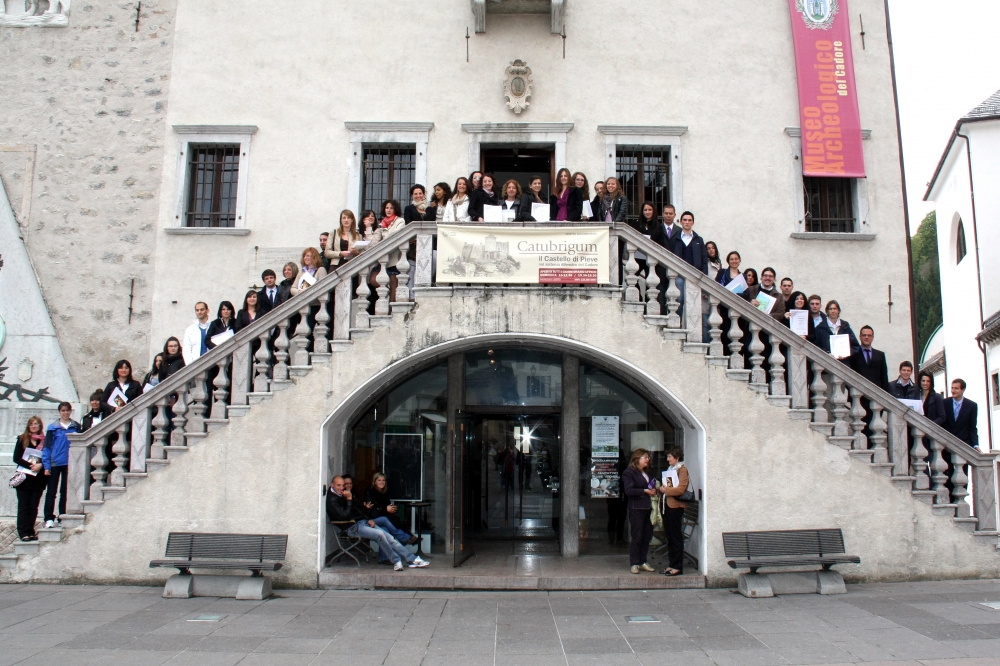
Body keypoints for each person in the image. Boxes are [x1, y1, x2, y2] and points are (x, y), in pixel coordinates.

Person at [326, 475, 428, 571]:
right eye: (338, 485)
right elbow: (345, 516)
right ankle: (397, 560)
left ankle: (412, 559)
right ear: (332, 485)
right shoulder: (332, 499)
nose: (341, 487)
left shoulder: (343, 494)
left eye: (342, 485)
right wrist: (349, 499)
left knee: (389, 537)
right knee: (380, 534)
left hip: (361, 522)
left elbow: (359, 510)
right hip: (351, 527)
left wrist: (368, 519)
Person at [363, 472, 419, 562]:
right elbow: (371, 510)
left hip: (381, 518)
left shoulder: (385, 492)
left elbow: (385, 506)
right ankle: (405, 537)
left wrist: (391, 509)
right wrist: (385, 509)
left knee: (386, 530)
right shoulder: (370, 491)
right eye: (379, 480)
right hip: (370, 519)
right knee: (386, 520)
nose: (381, 482)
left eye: (383, 480)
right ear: (374, 482)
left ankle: (384, 558)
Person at [42, 402, 79, 528]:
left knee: (65, 491)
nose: (65, 413)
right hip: (55, 463)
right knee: (51, 491)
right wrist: (46, 465)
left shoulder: (76, 426)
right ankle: (48, 517)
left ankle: (62, 515)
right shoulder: (52, 428)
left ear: (70, 411)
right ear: (59, 412)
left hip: (70, 462)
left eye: (67, 410)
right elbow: (47, 447)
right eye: (63, 410)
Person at [621, 448, 658, 575]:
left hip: (648, 508)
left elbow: (651, 486)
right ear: (637, 459)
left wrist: (654, 490)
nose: (647, 460)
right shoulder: (629, 473)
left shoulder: (647, 473)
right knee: (637, 536)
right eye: (645, 457)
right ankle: (634, 563)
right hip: (636, 508)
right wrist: (644, 491)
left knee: (647, 536)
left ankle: (643, 561)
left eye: (648, 457)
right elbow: (629, 491)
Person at [13, 415, 47, 541]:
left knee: (33, 507)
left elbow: (47, 457)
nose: (33, 426)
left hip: (38, 479)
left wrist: (40, 465)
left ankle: (31, 530)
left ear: (40, 426)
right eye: (31, 424)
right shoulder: (22, 439)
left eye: (36, 424)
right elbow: (16, 457)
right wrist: (31, 465)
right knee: (24, 506)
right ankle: (23, 532)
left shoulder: (44, 441)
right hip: (24, 479)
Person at [658, 446, 689, 576]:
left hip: (675, 507)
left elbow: (681, 489)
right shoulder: (671, 469)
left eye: (670, 457)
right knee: (670, 536)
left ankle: (678, 566)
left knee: (676, 536)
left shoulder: (682, 470)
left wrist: (667, 490)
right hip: (667, 506)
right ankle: (671, 564)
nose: (668, 459)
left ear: (677, 457)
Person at [944, 379, 979, 449]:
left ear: (963, 390)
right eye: (952, 388)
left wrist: (975, 445)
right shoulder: (944, 403)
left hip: (964, 445)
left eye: (956, 388)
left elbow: (972, 427)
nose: (953, 391)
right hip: (947, 444)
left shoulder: (972, 406)